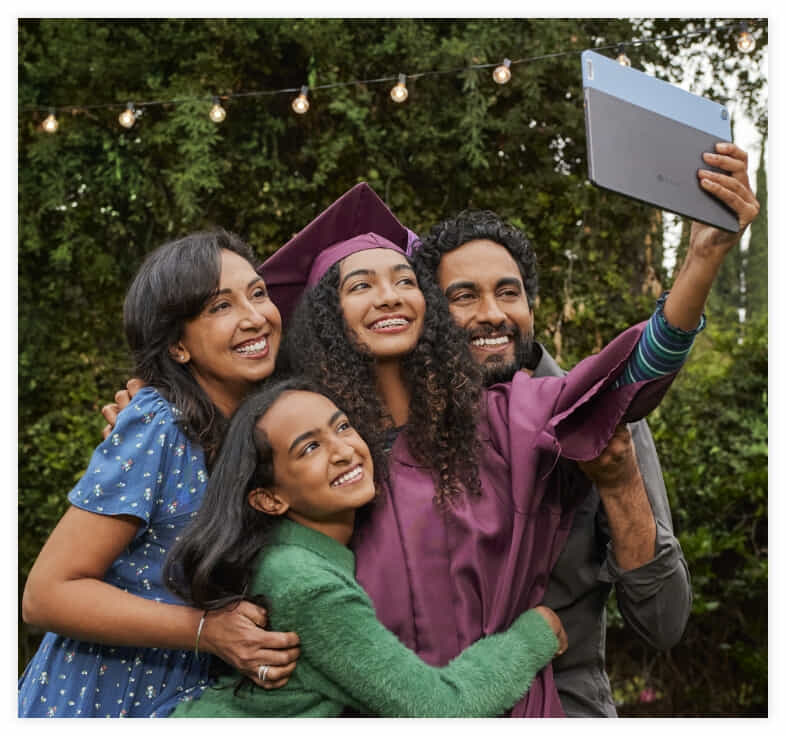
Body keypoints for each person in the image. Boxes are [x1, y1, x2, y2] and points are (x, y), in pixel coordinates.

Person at [260, 143, 758, 717]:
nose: (389, 296)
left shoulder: (513, 423)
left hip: (540, 704)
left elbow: (628, 375)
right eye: (462, 296)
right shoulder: (322, 454)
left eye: (402, 279)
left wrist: (703, 260)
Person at [411, 207, 691, 716]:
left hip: (564, 704)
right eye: (464, 296)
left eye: (508, 292)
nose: (492, 313)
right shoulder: (409, 429)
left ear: (530, 304)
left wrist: (620, 482)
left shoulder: (600, 414)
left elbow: (662, 622)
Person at [18, 230, 300, 717]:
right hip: (104, 695)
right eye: (219, 307)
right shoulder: (159, 424)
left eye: (257, 293)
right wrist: (205, 631)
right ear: (178, 347)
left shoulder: (264, 429)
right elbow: (47, 595)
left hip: (192, 699)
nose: (255, 317)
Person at [166, 378, 567, 717]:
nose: (343, 451)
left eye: (341, 428)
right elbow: (442, 708)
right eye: (309, 448)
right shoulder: (308, 586)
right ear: (270, 499)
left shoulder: (285, 556)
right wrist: (532, 637)